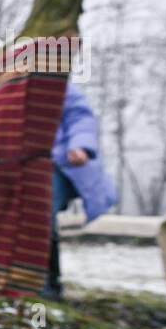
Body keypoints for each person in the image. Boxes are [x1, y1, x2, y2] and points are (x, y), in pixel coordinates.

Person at [46, 84, 117, 299]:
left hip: (57, 163)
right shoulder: (6, 88)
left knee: (42, 216)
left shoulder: (61, 89)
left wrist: (80, 145)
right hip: (16, 165)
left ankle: (48, 283)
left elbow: (80, 119)